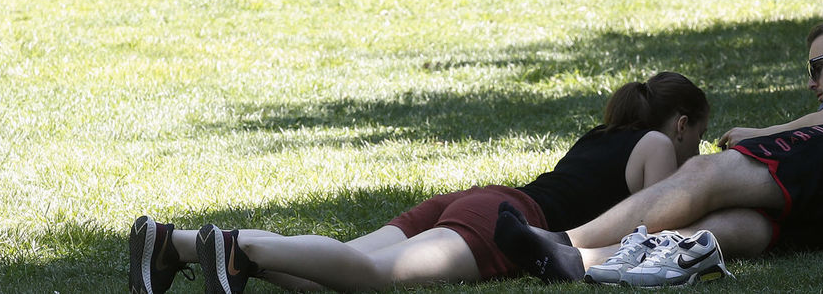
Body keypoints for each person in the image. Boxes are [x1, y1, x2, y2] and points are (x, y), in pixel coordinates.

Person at [128, 72, 712, 294]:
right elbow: (658, 224)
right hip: (505, 222)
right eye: (699, 139)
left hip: (474, 202)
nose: (698, 153)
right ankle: (236, 248)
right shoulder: (658, 145)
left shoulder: (600, 136)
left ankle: (178, 243)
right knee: (379, 277)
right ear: (682, 124)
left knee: (334, 272)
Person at [494, 15, 823, 289]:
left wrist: (757, 135)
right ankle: (584, 263)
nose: (811, 82)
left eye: (816, 66)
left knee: (708, 172)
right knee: (744, 226)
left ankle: (566, 241)